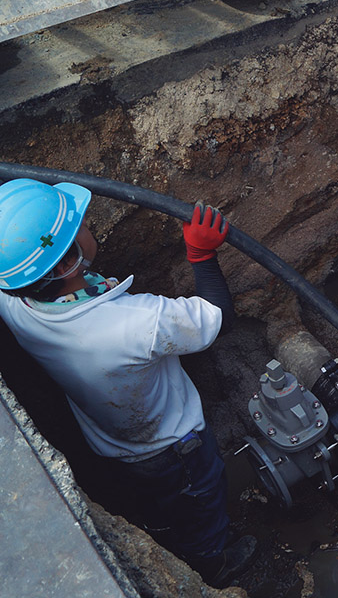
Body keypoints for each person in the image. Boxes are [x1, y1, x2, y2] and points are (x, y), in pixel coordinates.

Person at [0, 179, 255, 588]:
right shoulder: (138, 321)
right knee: (202, 496)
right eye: (78, 224)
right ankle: (213, 561)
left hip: (110, 444)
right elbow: (217, 317)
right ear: (68, 262)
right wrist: (202, 254)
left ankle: (165, 531)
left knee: (159, 502)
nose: (86, 222)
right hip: (174, 445)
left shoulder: (16, 306)